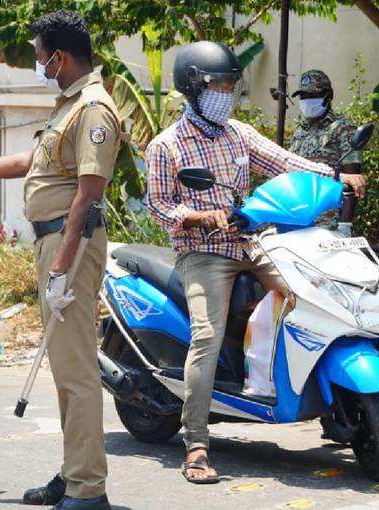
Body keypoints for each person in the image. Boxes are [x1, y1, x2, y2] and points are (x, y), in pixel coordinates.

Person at [146, 41, 366, 484]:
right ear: (192, 88)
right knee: (206, 337)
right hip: (205, 251)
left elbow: (285, 162)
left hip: (253, 243)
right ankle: (196, 443)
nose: (226, 93)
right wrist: (194, 215)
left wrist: (336, 176)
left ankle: (303, 396)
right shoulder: (166, 146)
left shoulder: (238, 133)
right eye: (218, 85)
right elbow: (157, 204)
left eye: (231, 84)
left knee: (316, 293)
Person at [0, 10, 122, 510]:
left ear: (59, 57)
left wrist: (61, 269)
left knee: (76, 369)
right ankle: (75, 470)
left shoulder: (93, 109)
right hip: (56, 244)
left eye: (41, 57)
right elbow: (29, 164)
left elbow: (87, 196)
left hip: (71, 245)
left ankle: (88, 491)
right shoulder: (66, 106)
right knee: (66, 368)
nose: (39, 64)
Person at [290, 69, 362, 236]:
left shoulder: (344, 128)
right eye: (303, 97)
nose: (307, 101)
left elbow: (353, 181)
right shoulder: (300, 131)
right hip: (297, 215)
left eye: (312, 96)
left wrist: (345, 224)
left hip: (328, 221)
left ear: (328, 96)